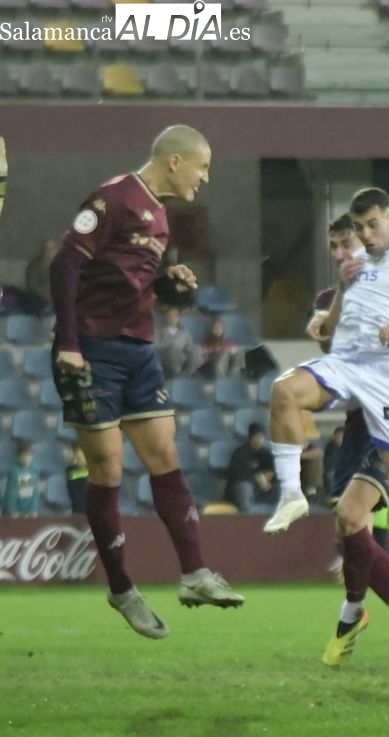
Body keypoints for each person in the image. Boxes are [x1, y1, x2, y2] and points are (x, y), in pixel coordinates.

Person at [48, 124, 244, 639]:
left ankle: (195, 572)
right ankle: (121, 588)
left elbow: (124, 281)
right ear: (175, 161)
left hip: (138, 351)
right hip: (90, 350)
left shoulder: (159, 215)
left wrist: (165, 283)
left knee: (165, 458)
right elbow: (65, 265)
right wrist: (68, 341)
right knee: (108, 468)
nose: (205, 179)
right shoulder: (112, 198)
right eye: (202, 168)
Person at [268, 198, 389, 669]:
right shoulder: (345, 287)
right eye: (337, 244)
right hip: (356, 419)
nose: (347, 249)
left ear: (386, 224)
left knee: (366, 513)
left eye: (351, 238)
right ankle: (354, 614)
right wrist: (328, 318)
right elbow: (331, 342)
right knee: (348, 522)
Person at [225, 422, 275, 512]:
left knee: (280, 488)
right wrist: (257, 480)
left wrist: (268, 479)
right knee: (245, 487)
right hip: (244, 488)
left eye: (262, 437)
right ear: (251, 437)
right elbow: (238, 475)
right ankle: (247, 515)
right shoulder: (239, 453)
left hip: (261, 490)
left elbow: (272, 471)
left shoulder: (266, 454)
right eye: (258, 437)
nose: (260, 440)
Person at [154, 305, 203, 379]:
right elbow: (155, 346)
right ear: (166, 317)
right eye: (169, 315)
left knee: (197, 348)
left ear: (179, 318)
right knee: (173, 348)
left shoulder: (185, 333)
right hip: (165, 357)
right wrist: (170, 345)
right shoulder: (159, 331)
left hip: (181, 358)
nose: (172, 318)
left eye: (175, 316)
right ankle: (178, 374)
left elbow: (190, 348)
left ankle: (190, 372)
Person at [2, 441, 40, 518]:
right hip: (13, 509)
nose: (27, 458)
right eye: (24, 456)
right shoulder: (13, 471)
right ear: (18, 457)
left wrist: (33, 509)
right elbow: (11, 493)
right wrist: (13, 510)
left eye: (29, 455)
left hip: (27, 508)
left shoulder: (35, 469)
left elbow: (35, 491)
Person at [24, 238, 58, 313]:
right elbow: (33, 286)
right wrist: (49, 298)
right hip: (39, 300)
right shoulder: (34, 267)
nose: (50, 252)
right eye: (47, 249)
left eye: (53, 249)